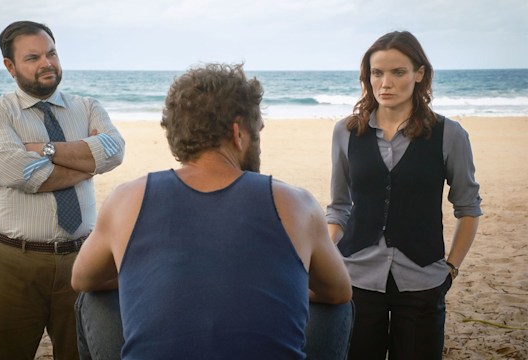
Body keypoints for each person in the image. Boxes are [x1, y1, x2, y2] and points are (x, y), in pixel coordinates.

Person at [71, 63, 353, 360]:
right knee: (339, 308)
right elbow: (339, 291)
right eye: (257, 130)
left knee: (93, 299)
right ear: (238, 133)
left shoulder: (127, 198)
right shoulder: (296, 203)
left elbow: (82, 279)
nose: (258, 140)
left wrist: (143, 276)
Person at [326, 31, 482, 360]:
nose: (385, 82)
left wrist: (451, 268)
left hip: (424, 281)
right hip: (357, 278)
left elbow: (468, 208)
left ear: (419, 74)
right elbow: (339, 208)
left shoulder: (449, 135)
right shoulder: (346, 132)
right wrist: (329, 257)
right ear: (367, 76)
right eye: (377, 72)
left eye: (398, 72)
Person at [0, 20, 125, 359]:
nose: (47, 63)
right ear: (9, 67)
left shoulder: (87, 107)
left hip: (83, 259)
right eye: (33, 58)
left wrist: (45, 149)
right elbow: (22, 173)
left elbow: (114, 151)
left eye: (52, 53)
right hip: (13, 263)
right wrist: (87, 163)